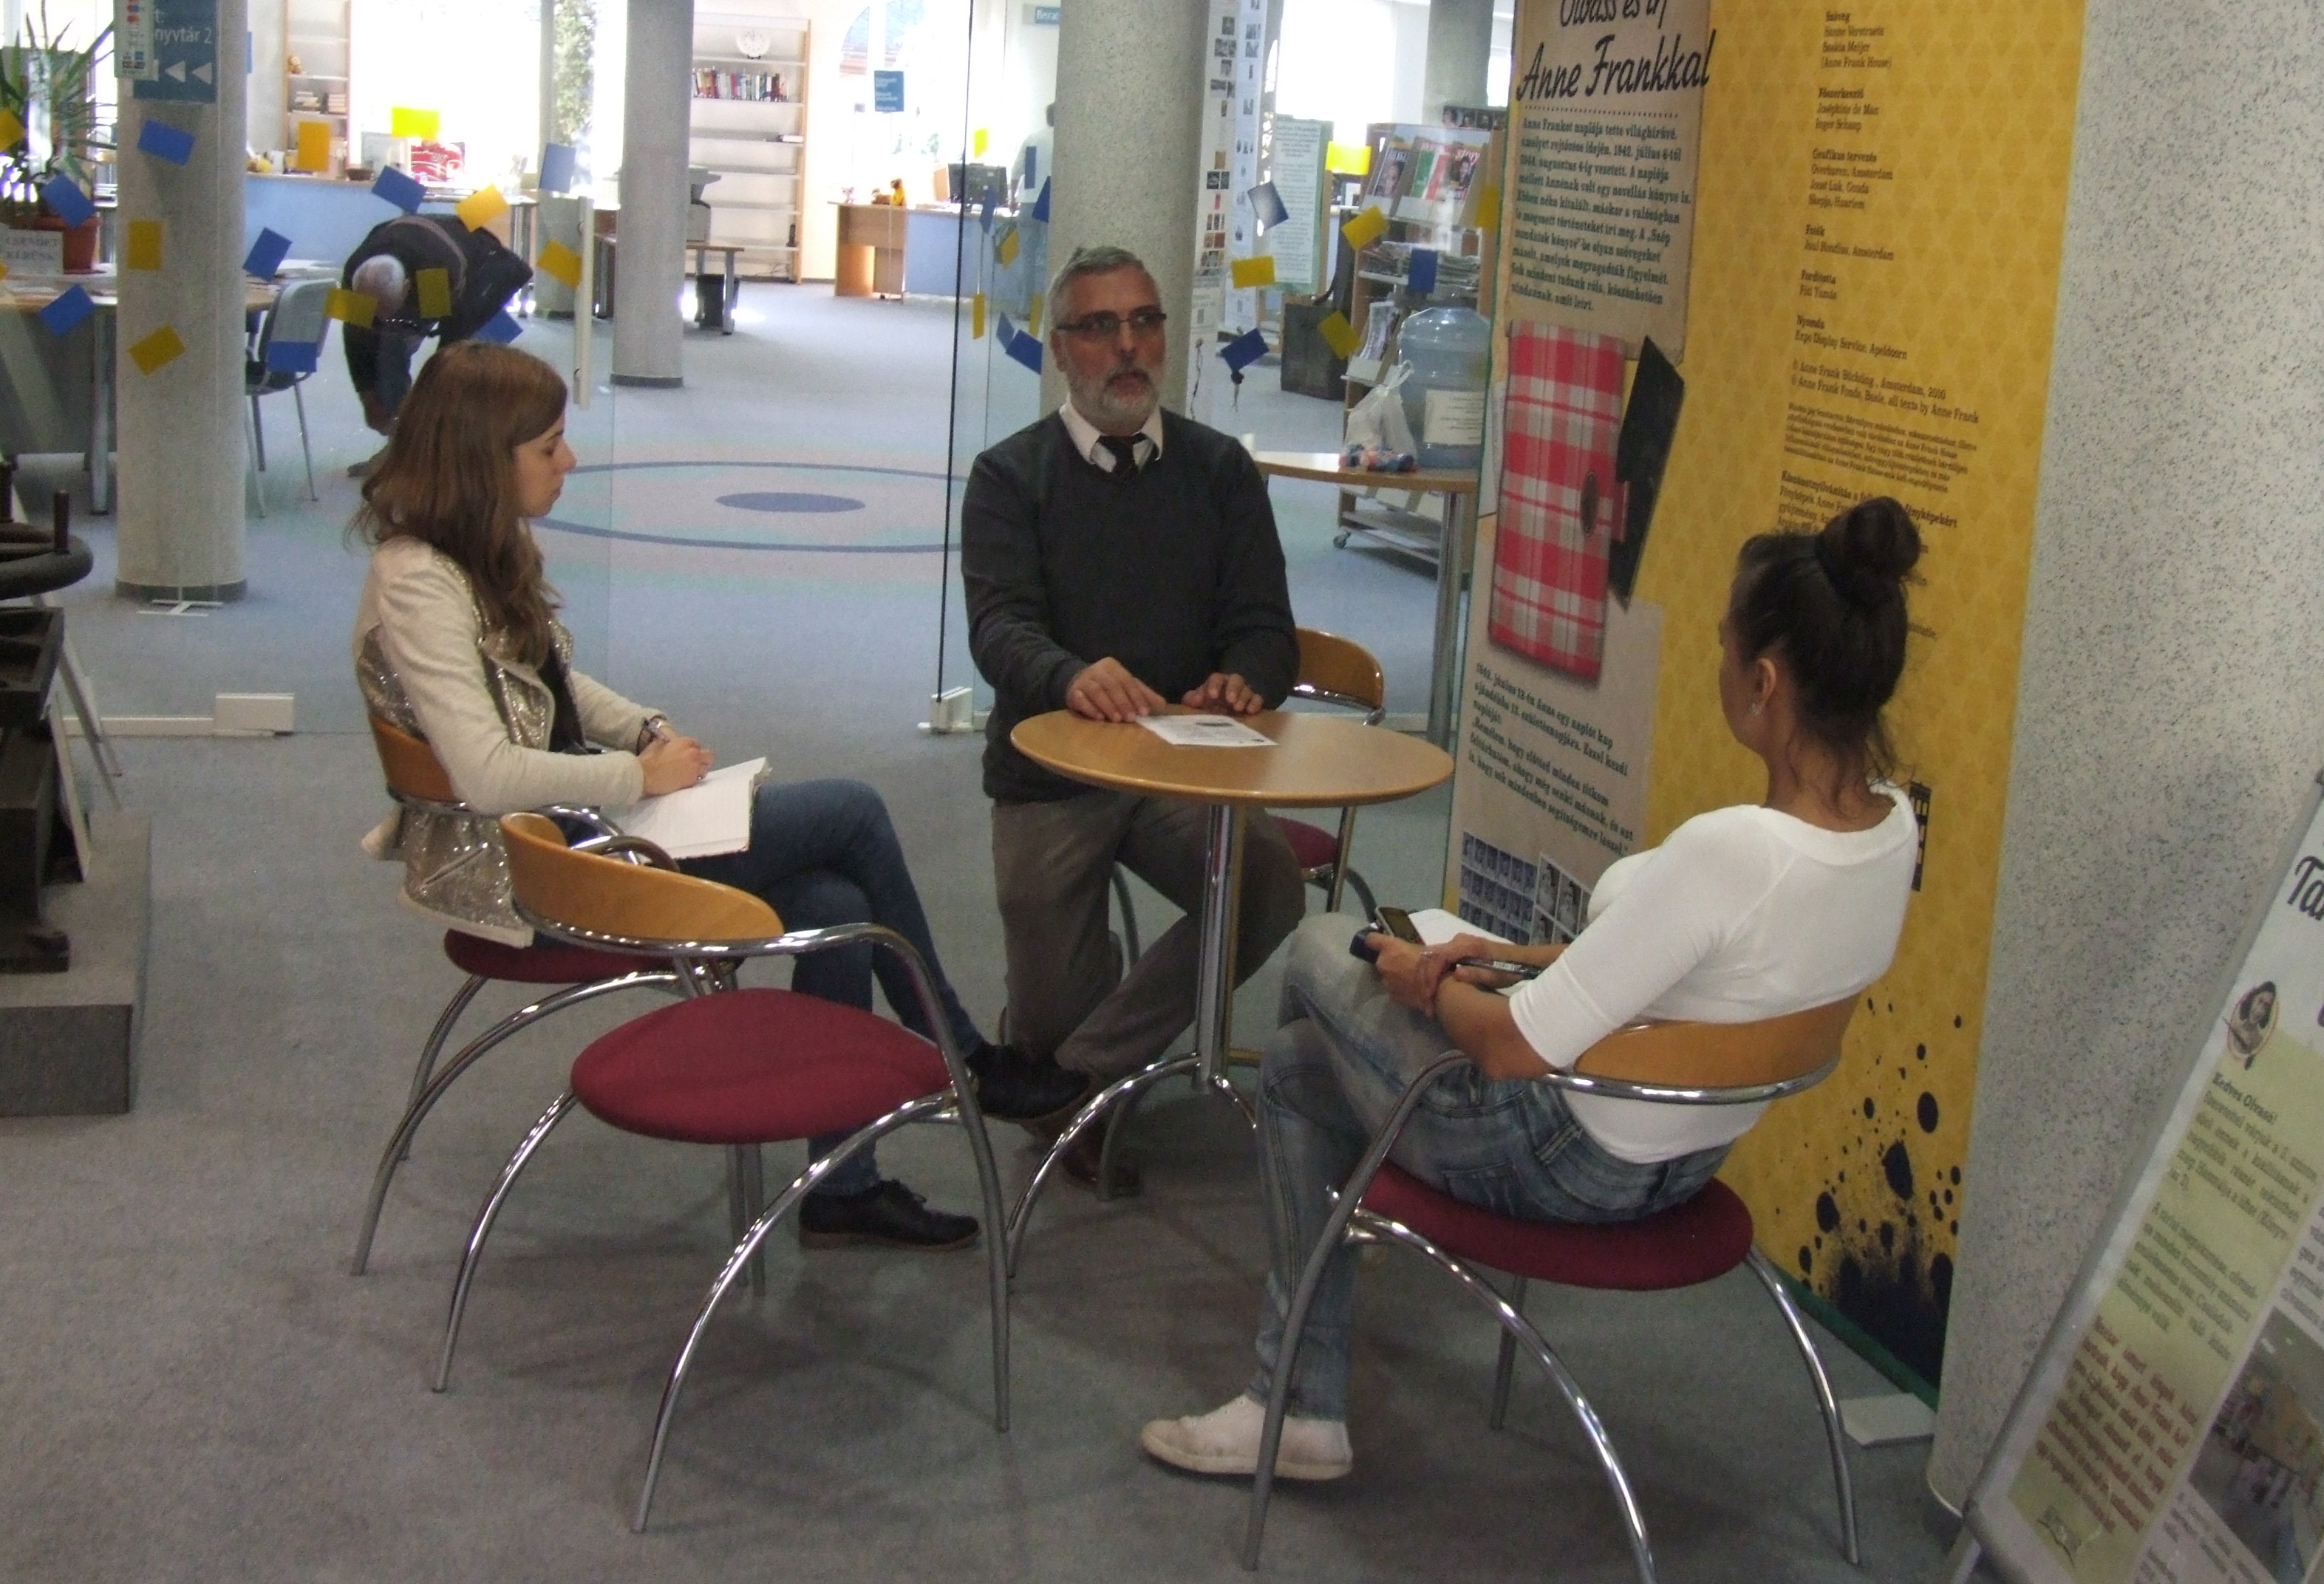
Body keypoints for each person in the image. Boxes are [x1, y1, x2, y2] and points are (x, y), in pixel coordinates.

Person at [1141, 495, 1928, 1481]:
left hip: (1559, 1156)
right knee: (1299, 1069)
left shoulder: (1734, 852)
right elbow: (1703, 972)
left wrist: (1425, 978)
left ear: (1765, 681)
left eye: (1725, 648)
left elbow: (1510, 1049)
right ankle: (1301, 1395)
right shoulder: (1886, 831)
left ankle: (1308, 1352)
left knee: (1318, 944)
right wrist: (1506, 956)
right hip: (1686, 1153)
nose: (1718, 667)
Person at [351, 342, 1086, 1251]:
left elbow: (552, 683)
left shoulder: (475, 550)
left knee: (837, 905)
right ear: (480, 459)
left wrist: (643, 730)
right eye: (547, 446)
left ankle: (842, 1186)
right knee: (852, 811)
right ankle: (966, 1057)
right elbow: (487, 775)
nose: (567, 460)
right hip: (533, 875)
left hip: (574, 833)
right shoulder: (419, 582)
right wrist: (638, 778)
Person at [961, 245, 1308, 1185]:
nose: (1126, 346)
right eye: (1099, 326)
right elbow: (998, 630)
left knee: (1265, 887)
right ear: (1060, 350)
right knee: (1046, 988)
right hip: (1050, 774)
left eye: (1144, 321)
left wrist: (1241, 679)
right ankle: (1066, 1052)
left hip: (1178, 766)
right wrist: (1070, 676)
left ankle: (1076, 1076)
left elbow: (1266, 630)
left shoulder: (1220, 471)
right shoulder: (1008, 476)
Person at [341, 211, 532, 439]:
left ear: (407, 287)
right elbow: (354, 336)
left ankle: (453, 440)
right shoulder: (352, 273)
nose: (384, 321)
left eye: (389, 312)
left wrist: (430, 402)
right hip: (424, 241)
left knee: (459, 365)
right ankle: (403, 437)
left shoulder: (435, 274)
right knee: (387, 348)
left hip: (487, 269)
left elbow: (452, 342)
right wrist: (368, 397)